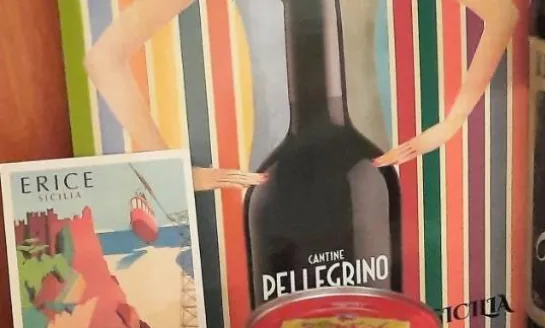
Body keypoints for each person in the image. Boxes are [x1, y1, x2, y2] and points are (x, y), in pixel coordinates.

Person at [83, 0, 519, 190]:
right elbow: (103, 58)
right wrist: (176, 173)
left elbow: (502, 13)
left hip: (369, 168)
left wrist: (451, 124)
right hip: (276, 177)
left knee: (373, 315)